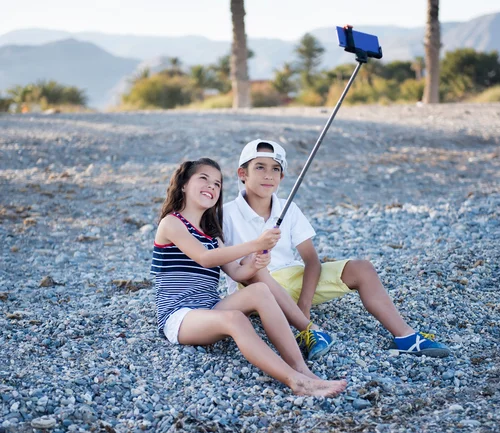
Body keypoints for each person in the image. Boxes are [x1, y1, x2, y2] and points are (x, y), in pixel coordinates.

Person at [222, 140, 451, 359]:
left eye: (275, 169)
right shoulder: (225, 213)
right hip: (253, 289)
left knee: (362, 268)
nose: (268, 175)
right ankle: (310, 331)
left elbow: (312, 261)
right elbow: (222, 261)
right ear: (243, 174)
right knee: (251, 267)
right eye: (259, 167)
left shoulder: (288, 209)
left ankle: (406, 337)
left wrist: (304, 304)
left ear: (282, 177)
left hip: (292, 279)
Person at [151, 158, 347, 397]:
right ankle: (295, 382)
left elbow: (236, 272)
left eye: (217, 184)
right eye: (203, 179)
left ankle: (301, 368)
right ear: (183, 185)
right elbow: (204, 258)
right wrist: (254, 243)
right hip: (179, 316)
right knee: (235, 319)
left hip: (210, 308)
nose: (211, 186)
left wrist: (256, 260)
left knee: (260, 290)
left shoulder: (213, 235)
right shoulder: (171, 223)